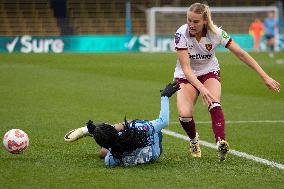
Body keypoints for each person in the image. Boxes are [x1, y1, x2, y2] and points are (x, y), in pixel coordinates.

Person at [173, 3, 281, 161]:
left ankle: (221, 143)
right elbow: (187, 70)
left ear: (204, 21)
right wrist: (201, 88)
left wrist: (264, 76)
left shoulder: (216, 33)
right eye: (189, 20)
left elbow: (241, 53)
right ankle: (194, 140)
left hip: (209, 71)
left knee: (214, 102)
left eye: (195, 21)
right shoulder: (181, 34)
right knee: (184, 114)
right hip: (185, 75)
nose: (191, 24)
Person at [64, 82, 180, 167]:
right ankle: (94, 130)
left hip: (145, 155)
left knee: (103, 153)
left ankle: (92, 132)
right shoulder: (137, 129)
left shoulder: (109, 161)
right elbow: (163, 121)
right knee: (129, 123)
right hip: (155, 149)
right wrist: (164, 96)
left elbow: (109, 147)